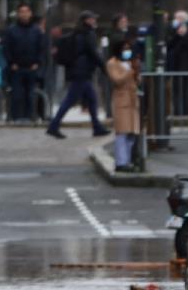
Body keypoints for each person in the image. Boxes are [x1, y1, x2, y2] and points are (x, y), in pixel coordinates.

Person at [47, 10, 110, 139]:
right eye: (92, 19)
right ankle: (53, 126)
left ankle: (97, 127)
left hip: (78, 71)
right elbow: (93, 53)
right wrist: (105, 68)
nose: (95, 21)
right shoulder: (88, 34)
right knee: (70, 100)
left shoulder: (77, 33)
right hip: (82, 72)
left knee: (92, 99)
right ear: (86, 20)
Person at [2, 3, 46, 123]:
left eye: (26, 11)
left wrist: (38, 63)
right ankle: (17, 117)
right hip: (16, 68)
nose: (24, 14)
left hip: (32, 67)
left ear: (30, 13)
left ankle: (30, 116)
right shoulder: (11, 30)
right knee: (17, 95)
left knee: (31, 95)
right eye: (22, 12)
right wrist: (11, 63)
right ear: (18, 13)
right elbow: (6, 48)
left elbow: (41, 48)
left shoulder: (36, 30)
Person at [105, 40, 141, 172]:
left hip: (132, 99)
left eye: (129, 48)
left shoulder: (130, 63)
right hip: (121, 99)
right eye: (124, 48)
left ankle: (128, 160)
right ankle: (121, 162)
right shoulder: (112, 63)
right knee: (122, 132)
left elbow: (137, 80)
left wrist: (136, 71)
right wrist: (130, 71)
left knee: (132, 132)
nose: (127, 51)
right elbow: (117, 80)